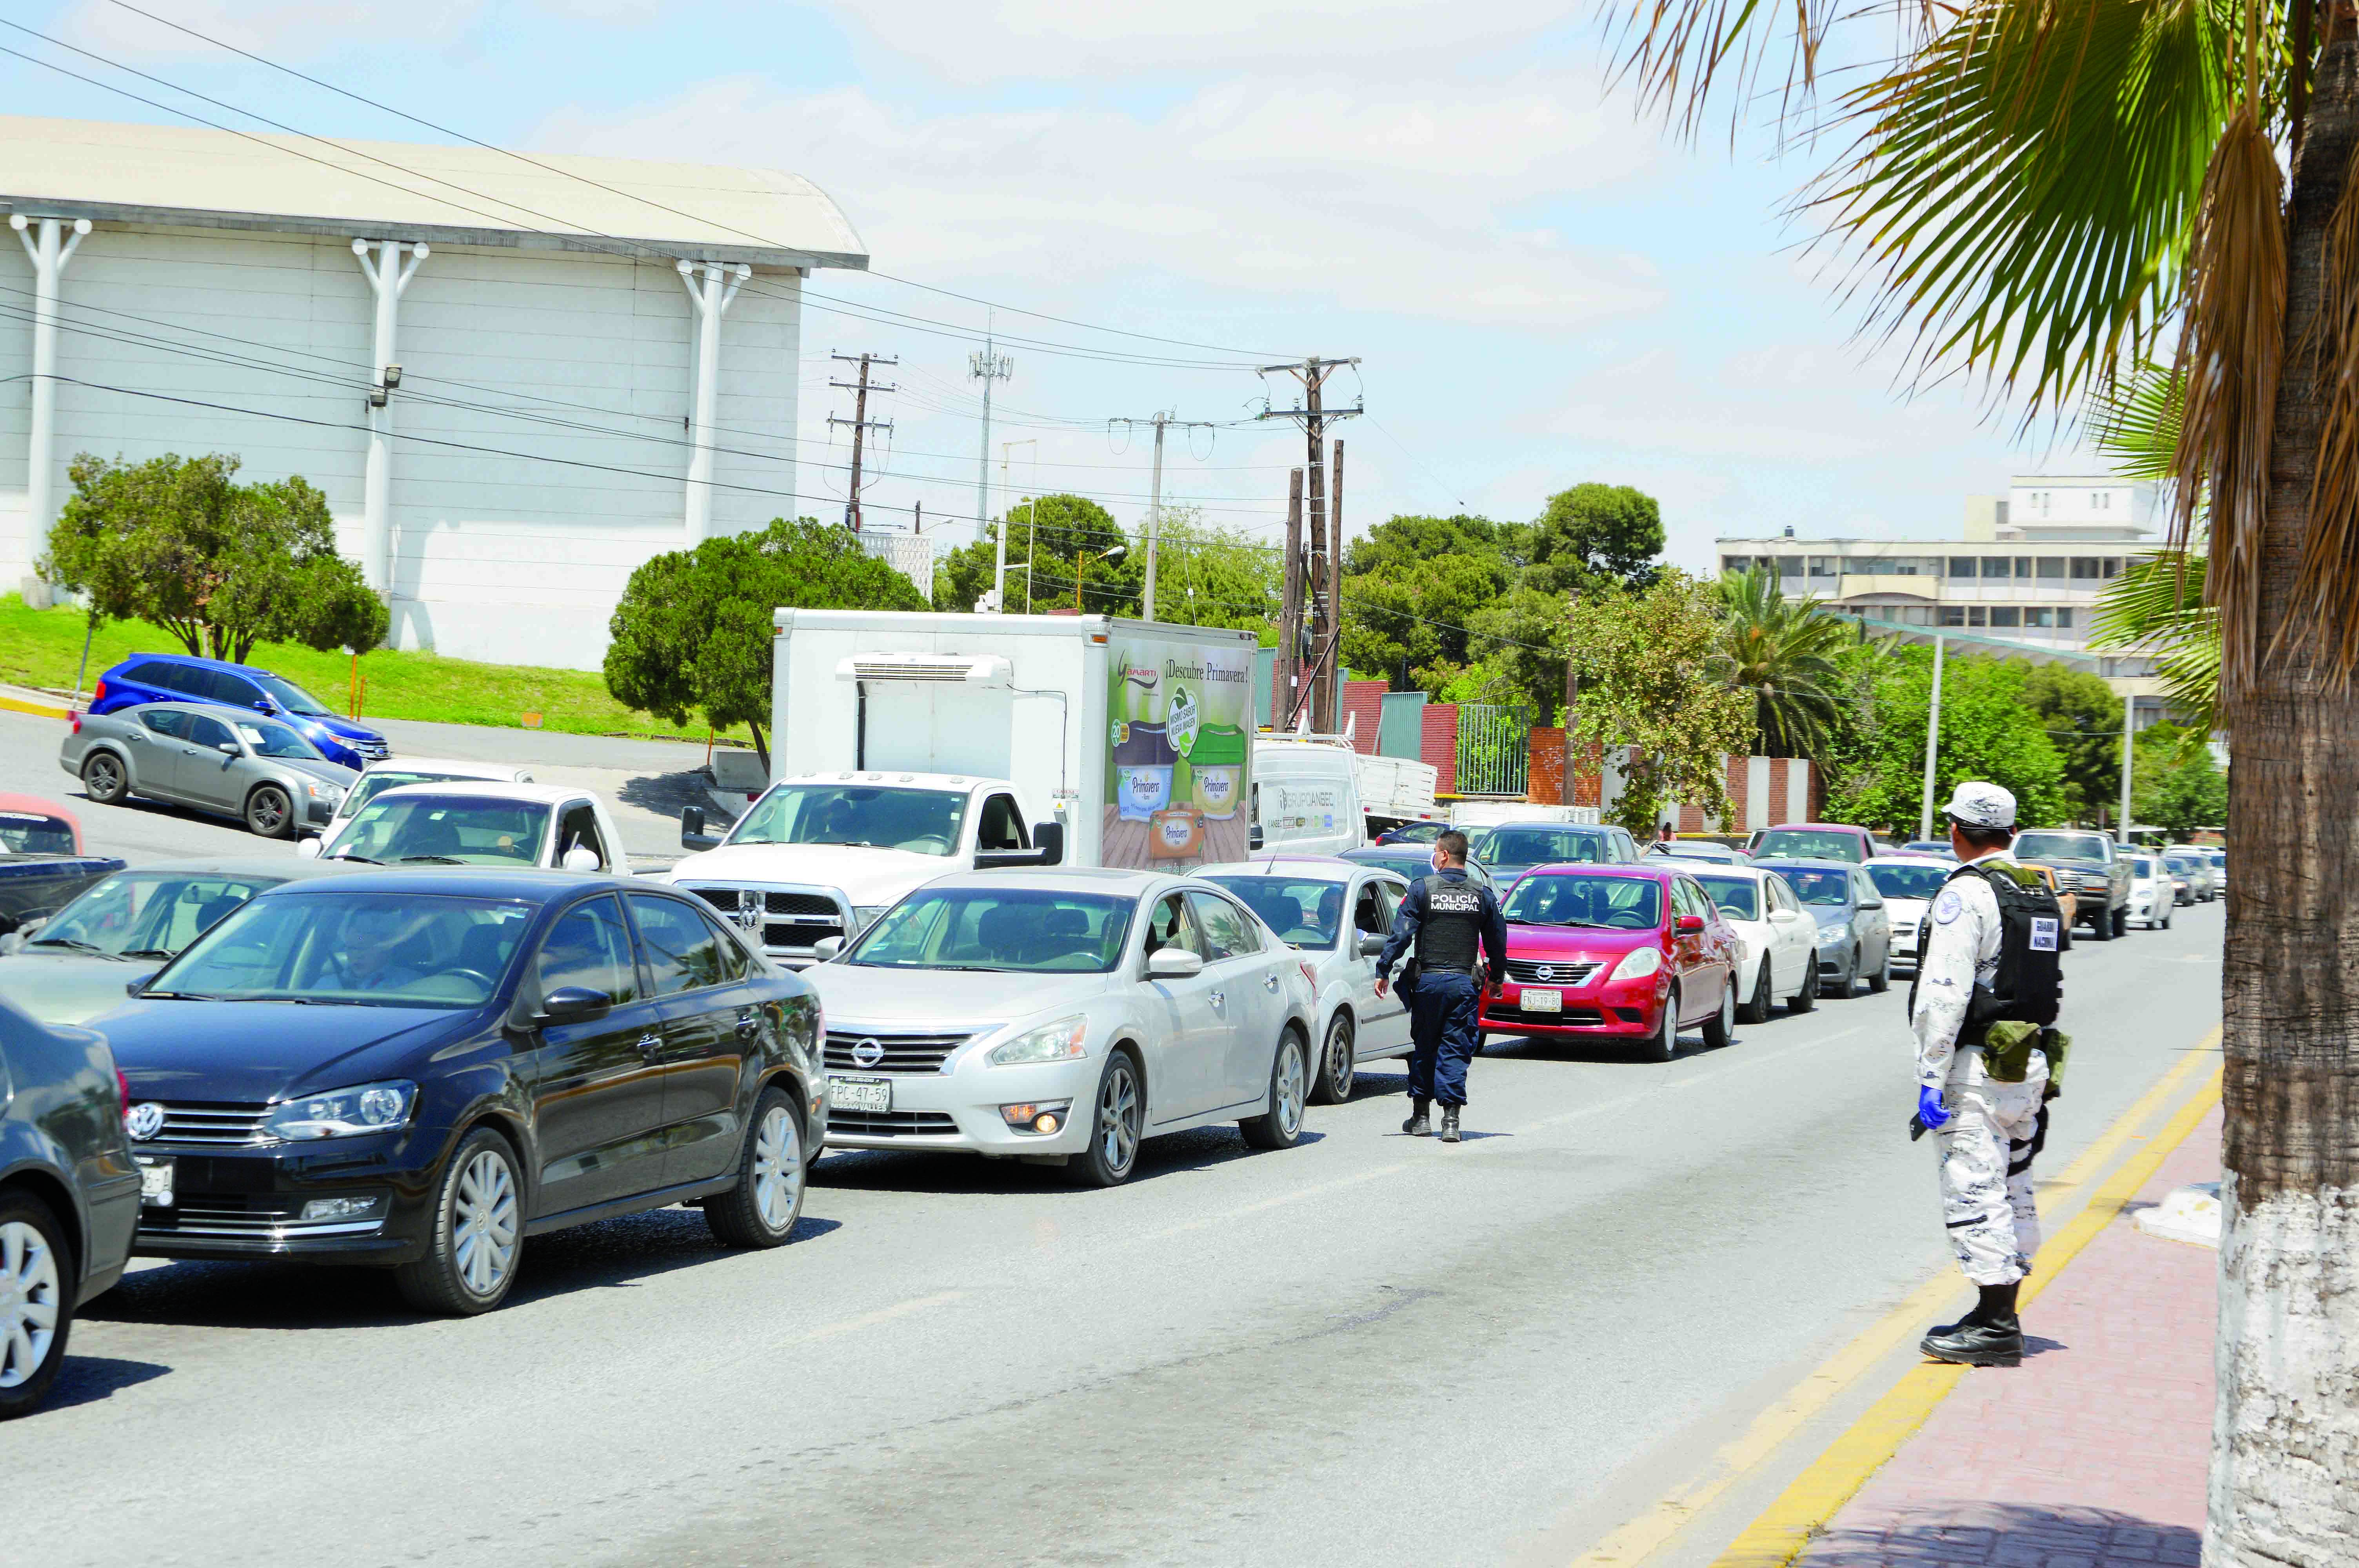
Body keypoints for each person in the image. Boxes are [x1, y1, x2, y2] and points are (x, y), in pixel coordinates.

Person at [1909, 781, 2066, 1368]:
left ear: (1956, 832)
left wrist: (1931, 1073)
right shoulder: (2036, 889)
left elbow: (1944, 990)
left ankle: (1997, 1325)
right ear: (2011, 832)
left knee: (1972, 1187)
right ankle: (1996, 1307)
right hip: (2028, 1061)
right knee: (2013, 1186)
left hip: (1976, 1063)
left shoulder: (1967, 895)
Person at [1374, 828, 1508, 1143]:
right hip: (1463, 984)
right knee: (1455, 1049)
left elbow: (1401, 934)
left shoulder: (1422, 890)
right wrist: (1497, 979)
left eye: (1436, 850)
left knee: (1425, 1047)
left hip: (1428, 984)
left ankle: (1421, 1118)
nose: (1434, 856)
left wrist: (1383, 969)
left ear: (1444, 855)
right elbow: (1498, 942)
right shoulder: (1483, 895)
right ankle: (1451, 1121)